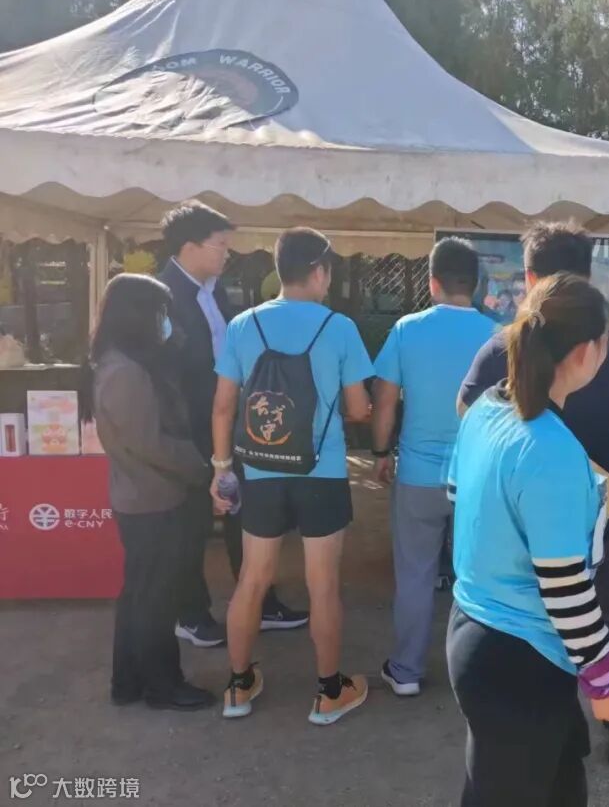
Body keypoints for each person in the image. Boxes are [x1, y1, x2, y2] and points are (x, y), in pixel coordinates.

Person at [447, 274, 609, 807]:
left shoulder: (485, 409)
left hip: (476, 631)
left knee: (558, 782)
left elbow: (460, 493)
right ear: (586, 352)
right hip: (519, 660)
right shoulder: (551, 448)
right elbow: (565, 590)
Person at [210, 227, 374, 725]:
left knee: (252, 578)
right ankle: (328, 693)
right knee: (322, 584)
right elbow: (358, 409)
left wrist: (222, 469)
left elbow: (224, 406)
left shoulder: (243, 324)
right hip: (321, 472)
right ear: (320, 271)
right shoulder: (339, 327)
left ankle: (238, 687)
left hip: (260, 470)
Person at [159, 201, 306, 649]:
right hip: (190, 430)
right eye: (220, 245)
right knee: (192, 521)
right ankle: (190, 613)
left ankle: (260, 600)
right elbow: (165, 375)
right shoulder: (162, 296)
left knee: (246, 511)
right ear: (189, 247)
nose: (226, 253)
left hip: (231, 421)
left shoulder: (214, 290)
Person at [371, 238, 496, 697]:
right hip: (476, 481)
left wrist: (381, 453)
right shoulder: (499, 336)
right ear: (476, 284)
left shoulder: (407, 330)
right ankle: (476, 672)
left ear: (432, 282)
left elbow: (385, 401)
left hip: (418, 477)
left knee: (415, 576)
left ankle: (406, 670)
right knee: (478, 578)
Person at [84, 274, 215, 711]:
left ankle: (128, 682)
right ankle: (162, 684)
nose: (166, 321)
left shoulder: (126, 361)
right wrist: (199, 466)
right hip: (151, 497)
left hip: (143, 493)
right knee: (156, 598)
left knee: (140, 594)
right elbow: (150, 444)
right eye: (160, 312)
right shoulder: (125, 371)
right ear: (138, 315)